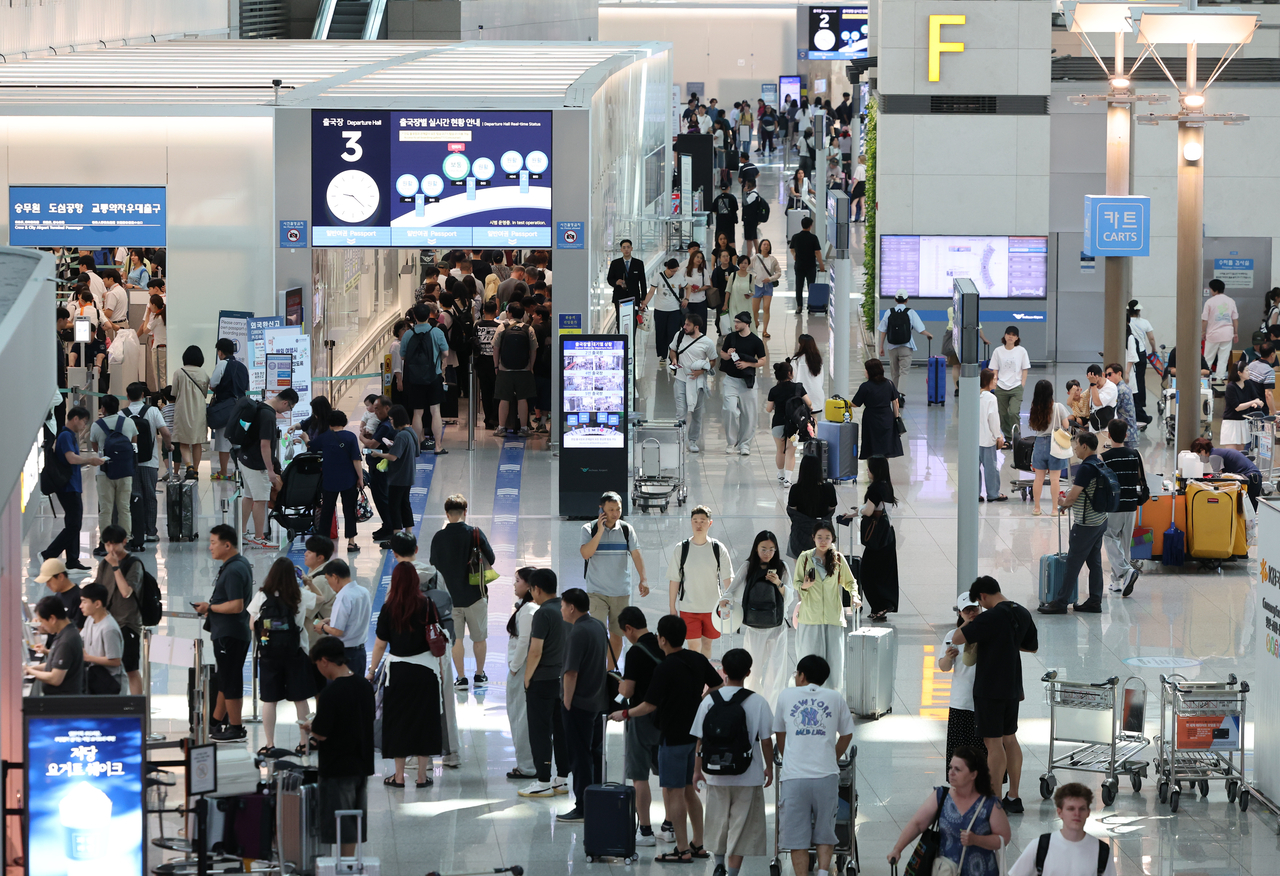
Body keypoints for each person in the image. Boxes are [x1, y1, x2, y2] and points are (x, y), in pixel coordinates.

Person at [611, 615, 723, 864]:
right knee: (688, 791)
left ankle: (682, 849)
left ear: (662, 639)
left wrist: (625, 713)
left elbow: (649, 705)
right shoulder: (697, 659)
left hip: (672, 737)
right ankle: (698, 844)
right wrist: (700, 702)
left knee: (673, 793)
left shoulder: (665, 667)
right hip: (693, 737)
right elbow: (717, 685)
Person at [950, 576, 1039, 813]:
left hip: (990, 688)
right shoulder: (1022, 612)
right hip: (1013, 686)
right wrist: (1007, 641)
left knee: (993, 744)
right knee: (1010, 738)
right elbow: (1032, 646)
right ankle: (1014, 796)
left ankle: (995, 801)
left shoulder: (989, 617)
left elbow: (957, 638)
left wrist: (969, 621)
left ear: (983, 597)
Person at [690, 648, 775, 876]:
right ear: (748, 672)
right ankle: (733, 873)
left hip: (715, 773)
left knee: (717, 820)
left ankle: (718, 865)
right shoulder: (758, 702)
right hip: (748, 774)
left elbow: (699, 740)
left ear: (724, 671)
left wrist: (697, 771)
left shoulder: (709, 701)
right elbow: (766, 741)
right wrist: (769, 767)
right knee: (741, 826)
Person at [773, 655, 855, 876]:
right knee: (825, 830)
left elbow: (779, 732)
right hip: (826, 776)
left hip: (793, 777)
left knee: (797, 835)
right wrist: (833, 757)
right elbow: (847, 734)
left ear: (801, 675)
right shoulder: (835, 697)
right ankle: (823, 872)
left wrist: (787, 757)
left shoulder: (786, 695)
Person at [367, 562, 442, 788]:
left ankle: (398, 777)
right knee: (424, 721)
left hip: (398, 673)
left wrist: (371, 672)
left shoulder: (389, 607)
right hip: (425, 671)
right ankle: (421, 776)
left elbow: (380, 644)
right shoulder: (427, 604)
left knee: (398, 722)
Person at [302, 636, 375, 859]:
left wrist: (309, 728)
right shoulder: (364, 685)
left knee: (338, 821)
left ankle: (340, 866)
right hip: (362, 763)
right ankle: (349, 863)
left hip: (337, 767)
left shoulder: (330, 694)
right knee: (354, 819)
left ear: (324, 661)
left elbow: (321, 733)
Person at [887, 745, 1011, 875]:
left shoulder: (989, 804)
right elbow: (917, 824)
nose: (951, 773)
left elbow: (1004, 838)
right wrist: (898, 849)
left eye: (958, 769)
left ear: (973, 774)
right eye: (950, 767)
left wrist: (976, 840)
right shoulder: (941, 796)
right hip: (946, 871)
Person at [248, 557, 316, 752]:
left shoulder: (262, 595)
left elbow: (252, 624)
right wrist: (308, 582)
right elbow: (322, 600)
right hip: (296, 652)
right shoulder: (300, 595)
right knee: (300, 699)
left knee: (270, 701)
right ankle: (304, 744)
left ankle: (269, 744)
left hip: (268, 653)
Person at [194, 524, 255, 741]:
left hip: (229, 634)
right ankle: (215, 722)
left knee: (230, 681)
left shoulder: (234, 569)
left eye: (213, 543)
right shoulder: (237, 565)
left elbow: (236, 605)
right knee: (226, 678)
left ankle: (236, 727)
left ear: (227, 545)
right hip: (231, 632)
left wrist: (209, 608)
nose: (210, 547)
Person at [429, 493, 496, 689]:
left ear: (447, 514)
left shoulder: (439, 537)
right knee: (479, 638)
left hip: (450, 599)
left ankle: (460, 678)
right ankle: (479, 674)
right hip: (475, 595)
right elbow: (490, 558)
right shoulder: (475, 532)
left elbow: (434, 565)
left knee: (457, 639)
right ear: (465, 512)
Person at [613, 607, 667, 845]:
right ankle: (670, 826)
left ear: (629, 628)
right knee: (667, 776)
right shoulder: (663, 644)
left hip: (641, 717)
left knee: (639, 775)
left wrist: (621, 686)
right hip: (666, 718)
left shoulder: (636, 652)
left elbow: (629, 689)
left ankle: (644, 830)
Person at [1040, 432, 1109, 615]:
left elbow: (1072, 497)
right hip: (1100, 520)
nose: (1075, 448)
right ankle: (1095, 600)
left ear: (1085, 446)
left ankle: (1060, 603)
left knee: (1073, 563)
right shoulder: (1099, 463)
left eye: (1076, 445)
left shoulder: (1086, 468)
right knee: (1094, 563)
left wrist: (1062, 503)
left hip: (1086, 525)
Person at [556, 588, 609, 822]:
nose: (561, 610)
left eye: (562, 605)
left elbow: (571, 672)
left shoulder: (577, 632)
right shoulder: (598, 626)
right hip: (598, 701)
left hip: (579, 704)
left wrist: (567, 702)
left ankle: (583, 806)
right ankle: (596, 800)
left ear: (571, 608)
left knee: (579, 756)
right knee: (595, 754)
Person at [721, 532, 791, 706]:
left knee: (775, 674)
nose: (767, 553)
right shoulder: (748, 566)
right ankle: (753, 707)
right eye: (763, 549)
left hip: (777, 627)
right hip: (754, 627)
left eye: (772, 549)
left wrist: (778, 583)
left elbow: (789, 596)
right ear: (756, 548)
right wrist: (725, 600)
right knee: (752, 672)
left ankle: (772, 712)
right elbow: (732, 589)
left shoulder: (781, 567)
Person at [519, 568, 572, 798]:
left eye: (531, 589)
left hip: (542, 680)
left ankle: (542, 780)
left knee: (540, 731)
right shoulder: (567, 610)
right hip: (563, 680)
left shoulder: (542, 614)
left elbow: (535, 651)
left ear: (537, 589)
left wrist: (527, 677)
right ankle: (562, 779)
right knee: (561, 730)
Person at [580, 491, 649, 668]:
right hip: (596, 592)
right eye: (611, 509)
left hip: (620, 592)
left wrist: (643, 579)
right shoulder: (589, 529)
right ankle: (597, 670)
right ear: (601, 509)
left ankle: (609, 672)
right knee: (598, 635)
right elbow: (586, 553)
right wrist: (600, 531)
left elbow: (636, 554)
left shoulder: (626, 529)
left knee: (618, 636)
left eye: (618, 509)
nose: (615, 513)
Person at [792, 521, 857, 690]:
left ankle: (832, 699)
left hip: (833, 619)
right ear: (813, 538)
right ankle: (806, 697)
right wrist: (804, 586)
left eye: (827, 537)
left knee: (834, 664)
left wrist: (854, 596)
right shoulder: (804, 558)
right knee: (808, 663)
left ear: (832, 539)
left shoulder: (837, 559)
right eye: (819, 537)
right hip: (809, 619)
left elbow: (850, 582)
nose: (823, 541)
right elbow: (796, 582)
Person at [666, 505, 734, 657]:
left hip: (712, 606)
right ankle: (696, 678)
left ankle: (704, 678)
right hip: (688, 607)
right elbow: (674, 580)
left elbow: (727, 578)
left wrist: (729, 603)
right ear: (690, 522)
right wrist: (672, 607)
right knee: (693, 646)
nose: (698, 524)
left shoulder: (718, 548)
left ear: (710, 523)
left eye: (702, 521)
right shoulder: (681, 548)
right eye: (695, 520)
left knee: (707, 644)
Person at [1008, 784, 1116, 876]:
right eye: (1071, 809)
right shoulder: (1040, 846)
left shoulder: (1102, 850)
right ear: (1060, 812)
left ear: (1088, 812)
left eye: (1082, 809)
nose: (1077, 814)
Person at [41, 405, 99, 570]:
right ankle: (48, 554)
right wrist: (90, 460)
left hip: (72, 485)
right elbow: (71, 459)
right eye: (84, 422)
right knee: (74, 525)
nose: (84, 425)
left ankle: (72, 560)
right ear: (75, 419)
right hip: (68, 486)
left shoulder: (68, 435)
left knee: (72, 523)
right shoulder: (66, 435)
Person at [239, 388, 298, 550]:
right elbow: (265, 445)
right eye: (289, 408)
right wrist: (270, 470)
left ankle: (243, 533)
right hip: (256, 463)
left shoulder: (260, 406)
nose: (287, 411)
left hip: (244, 457)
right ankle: (259, 537)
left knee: (249, 496)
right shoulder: (268, 416)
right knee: (260, 499)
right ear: (285, 402)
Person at [92, 525, 144, 696]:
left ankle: (137, 705)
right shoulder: (104, 564)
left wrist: (116, 567)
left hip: (127, 623)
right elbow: (98, 591)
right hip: (108, 623)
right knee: (106, 665)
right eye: (107, 545)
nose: (111, 549)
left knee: (131, 668)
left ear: (124, 542)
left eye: (114, 544)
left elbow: (126, 592)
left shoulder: (133, 564)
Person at [1101, 420, 1148, 598]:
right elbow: (1141, 478)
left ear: (1109, 435)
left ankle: (1125, 572)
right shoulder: (1135, 454)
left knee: (1109, 537)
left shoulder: (1104, 457)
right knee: (1125, 543)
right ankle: (1116, 581)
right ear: (1126, 435)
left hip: (1113, 505)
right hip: (1131, 504)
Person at [88, 394, 137, 555]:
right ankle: (126, 541)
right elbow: (133, 442)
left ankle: (105, 543)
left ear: (103, 408)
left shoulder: (97, 425)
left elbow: (95, 447)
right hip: (125, 471)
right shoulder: (128, 422)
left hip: (104, 471)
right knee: (124, 508)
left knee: (106, 509)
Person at [939, 596, 985, 765]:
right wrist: (947, 657)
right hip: (961, 701)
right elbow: (943, 667)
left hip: (985, 700)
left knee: (984, 751)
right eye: (967, 610)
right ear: (960, 613)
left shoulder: (989, 632)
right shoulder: (952, 636)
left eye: (974, 609)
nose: (972, 613)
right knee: (959, 753)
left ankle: (985, 785)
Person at [310, 411, 364, 554]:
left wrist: (304, 438)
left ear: (329, 423)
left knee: (327, 510)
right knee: (349, 510)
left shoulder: (324, 437)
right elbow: (356, 460)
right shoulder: (350, 437)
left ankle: (323, 542)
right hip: (349, 480)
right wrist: (361, 478)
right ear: (344, 423)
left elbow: (312, 447)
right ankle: (351, 543)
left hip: (329, 480)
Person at [504, 567, 540, 781]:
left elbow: (525, 641)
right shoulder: (529, 608)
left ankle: (527, 766)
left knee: (520, 717)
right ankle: (530, 763)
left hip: (522, 669)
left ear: (529, 585)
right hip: (526, 668)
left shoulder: (527, 610)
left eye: (517, 580)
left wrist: (514, 667)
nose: (514, 584)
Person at [124, 382, 169, 546]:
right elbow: (165, 432)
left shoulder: (123, 414)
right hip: (150, 462)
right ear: (143, 395)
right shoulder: (152, 411)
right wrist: (169, 446)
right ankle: (151, 532)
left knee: (135, 496)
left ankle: (138, 531)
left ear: (127, 396)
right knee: (150, 496)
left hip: (131, 462)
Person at [401, 301, 449, 451]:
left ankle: (416, 447)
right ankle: (438, 446)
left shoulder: (408, 334)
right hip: (434, 376)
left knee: (417, 412)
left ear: (414, 316)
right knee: (435, 411)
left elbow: (403, 356)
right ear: (429, 315)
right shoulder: (436, 332)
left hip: (414, 378)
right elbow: (446, 353)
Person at [314, 558, 373, 677]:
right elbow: (354, 618)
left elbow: (337, 631)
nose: (329, 584)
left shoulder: (343, 597)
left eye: (328, 579)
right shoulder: (363, 591)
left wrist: (323, 626)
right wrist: (331, 620)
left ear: (335, 577)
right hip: (360, 652)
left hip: (345, 655)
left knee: (341, 692)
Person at [858, 458, 900, 620]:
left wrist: (859, 511)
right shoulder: (886, 486)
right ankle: (885, 603)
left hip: (876, 537)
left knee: (867, 572)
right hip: (887, 534)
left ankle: (879, 606)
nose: (867, 472)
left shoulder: (875, 488)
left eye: (869, 469)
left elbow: (868, 511)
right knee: (885, 572)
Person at [369, 405, 417, 546]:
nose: (390, 422)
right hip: (408, 475)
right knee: (405, 504)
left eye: (391, 419)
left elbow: (393, 457)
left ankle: (395, 537)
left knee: (394, 506)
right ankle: (408, 533)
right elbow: (416, 452)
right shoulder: (412, 432)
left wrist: (378, 453)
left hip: (398, 477)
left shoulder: (401, 435)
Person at [719, 312, 766, 456]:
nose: (735, 324)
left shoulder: (756, 341)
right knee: (730, 410)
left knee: (749, 415)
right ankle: (731, 442)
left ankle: (745, 444)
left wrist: (747, 364)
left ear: (746, 323)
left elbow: (763, 360)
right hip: (731, 380)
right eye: (735, 322)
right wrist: (728, 354)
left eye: (738, 322)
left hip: (748, 382)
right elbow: (722, 354)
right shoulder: (731, 337)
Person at [670, 314, 717, 453]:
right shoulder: (679, 335)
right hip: (680, 379)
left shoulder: (707, 342)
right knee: (680, 412)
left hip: (697, 383)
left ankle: (693, 440)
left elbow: (713, 360)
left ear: (696, 327)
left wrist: (701, 371)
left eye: (688, 325)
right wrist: (674, 360)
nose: (684, 327)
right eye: (684, 324)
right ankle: (679, 440)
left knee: (697, 413)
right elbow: (672, 350)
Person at [493, 302, 538, 437]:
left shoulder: (502, 327)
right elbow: (533, 349)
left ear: (509, 314)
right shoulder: (528, 329)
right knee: (522, 399)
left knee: (504, 398)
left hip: (504, 369)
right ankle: (524, 428)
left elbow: (495, 348)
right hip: (524, 369)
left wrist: (496, 366)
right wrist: (531, 366)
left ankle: (501, 428)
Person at [1026, 380, 1070, 516]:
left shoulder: (1035, 409)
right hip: (1055, 443)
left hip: (1039, 443)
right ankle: (1054, 509)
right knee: (1055, 479)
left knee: (1038, 478)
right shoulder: (1058, 407)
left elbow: (1034, 426)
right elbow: (1066, 425)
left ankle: (1037, 508)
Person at [207, 338, 249, 479]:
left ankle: (224, 471)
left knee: (224, 441)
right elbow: (246, 387)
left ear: (220, 352)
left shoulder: (222, 364)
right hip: (242, 407)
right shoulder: (242, 367)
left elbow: (212, 384)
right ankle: (241, 470)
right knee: (239, 440)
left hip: (225, 408)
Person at [25, 597, 85, 695]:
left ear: (52, 619)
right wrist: (30, 669)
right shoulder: (66, 632)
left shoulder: (66, 641)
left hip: (62, 703)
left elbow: (55, 679)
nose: (42, 625)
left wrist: (30, 672)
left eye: (42, 621)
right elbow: (53, 664)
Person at [878, 291, 933, 396]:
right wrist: (929, 334)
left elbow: (883, 330)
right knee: (904, 371)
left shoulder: (889, 312)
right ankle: (900, 395)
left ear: (895, 299)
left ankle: (894, 395)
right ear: (907, 300)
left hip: (892, 346)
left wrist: (881, 347)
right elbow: (920, 329)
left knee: (894, 372)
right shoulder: (910, 312)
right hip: (906, 346)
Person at [357, 396, 395, 540]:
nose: (375, 412)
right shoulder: (383, 423)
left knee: (381, 497)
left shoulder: (385, 425)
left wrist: (361, 437)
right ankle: (387, 525)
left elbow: (373, 444)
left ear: (387, 408)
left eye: (377, 409)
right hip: (378, 465)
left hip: (380, 467)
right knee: (380, 497)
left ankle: (389, 526)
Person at [1191, 437, 1263, 511]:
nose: (1200, 458)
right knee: (1249, 510)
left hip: (1251, 478)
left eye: (1198, 455)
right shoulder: (1218, 452)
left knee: (1247, 511)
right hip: (1254, 477)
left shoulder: (1214, 456)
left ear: (1202, 450)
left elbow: (1218, 478)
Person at [171, 344, 210, 480]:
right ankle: (197, 470)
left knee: (183, 441)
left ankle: (188, 466)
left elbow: (174, 393)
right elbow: (205, 393)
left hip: (182, 409)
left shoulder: (178, 372)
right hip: (199, 409)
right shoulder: (203, 373)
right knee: (197, 442)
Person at [851, 358, 903, 459]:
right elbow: (895, 402)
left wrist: (846, 403)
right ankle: (883, 468)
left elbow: (856, 404)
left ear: (870, 371)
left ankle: (872, 469)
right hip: (887, 417)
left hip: (871, 418)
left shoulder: (865, 386)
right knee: (886, 445)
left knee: (872, 445)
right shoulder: (889, 384)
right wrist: (896, 419)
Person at [79, 582, 126, 695]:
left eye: (84, 602)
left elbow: (115, 661)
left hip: (109, 683)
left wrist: (88, 658)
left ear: (97, 604)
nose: (81, 606)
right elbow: (81, 639)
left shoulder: (109, 628)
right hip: (94, 677)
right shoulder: (90, 620)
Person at [769, 362, 810, 487]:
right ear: (789, 373)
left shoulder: (774, 390)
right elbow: (809, 403)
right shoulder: (798, 388)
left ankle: (780, 475)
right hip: (794, 424)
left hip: (778, 423)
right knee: (790, 452)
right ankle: (788, 479)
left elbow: (768, 409)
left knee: (780, 450)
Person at [787, 454, 835, 558]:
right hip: (822, 532)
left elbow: (793, 512)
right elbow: (831, 509)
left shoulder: (796, 489)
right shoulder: (829, 488)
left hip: (800, 535)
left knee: (801, 569)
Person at [989, 326, 1030, 441]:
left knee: (1013, 412)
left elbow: (1025, 369)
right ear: (1005, 335)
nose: (1011, 337)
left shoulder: (1021, 351)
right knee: (1002, 414)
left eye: (1014, 335)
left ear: (1017, 338)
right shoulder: (998, 351)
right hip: (1001, 386)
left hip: (1016, 386)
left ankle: (1016, 437)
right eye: (1009, 334)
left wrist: (1022, 384)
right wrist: (995, 382)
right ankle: (1008, 437)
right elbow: (994, 369)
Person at [1222, 359, 1266, 450]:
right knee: (1231, 453)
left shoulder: (1248, 384)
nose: (1249, 372)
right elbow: (1237, 407)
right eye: (1247, 370)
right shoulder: (1231, 387)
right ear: (1239, 373)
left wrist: (1257, 403)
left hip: (1243, 421)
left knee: (1241, 453)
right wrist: (1252, 403)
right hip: (1231, 422)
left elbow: (1256, 399)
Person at [978, 369, 1008, 502]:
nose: (996, 381)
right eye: (994, 379)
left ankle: (975, 493)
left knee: (974, 468)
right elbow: (993, 419)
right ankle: (993, 493)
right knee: (990, 468)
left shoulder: (973, 395)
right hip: (987, 440)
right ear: (988, 381)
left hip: (974, 440)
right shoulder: (991, 398)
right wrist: (998, 436)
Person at [1201, 277, 1238, 382]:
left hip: (1213, 334)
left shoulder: (1209, 302)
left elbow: (1204, 320)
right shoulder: (1231, 301)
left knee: (1208, 358)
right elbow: (1235, 319)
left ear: (1214, 290)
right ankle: (1219, 380)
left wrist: (1203, 332)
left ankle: (1204, 379)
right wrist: (1235, 333)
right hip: (1227, 334)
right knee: (1223, 358)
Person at [787, 215, 824, 313]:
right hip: (810, 266)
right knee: (811, 286)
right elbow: (817, 252)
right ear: (811, 226)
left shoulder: (796, 237)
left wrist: (795, 255)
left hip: (799, 265)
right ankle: (811, 305)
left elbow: (792, 249)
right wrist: (821, 265)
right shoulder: (813, 238)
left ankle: (799, 306)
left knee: (799, 286)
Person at [607, 239, 648, 328]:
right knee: (620, 321)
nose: (626, 250)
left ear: (631, 249)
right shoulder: (615, 263)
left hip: (634, 298)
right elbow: (609, 279)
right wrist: (616, 282)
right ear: (621, 249)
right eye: (624, 247)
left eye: (628, 247)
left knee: (633, 321)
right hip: (619, 297)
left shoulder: (638, 263)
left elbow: (643, 282)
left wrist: (643, 298)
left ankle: (631, 341)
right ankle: (622, 340)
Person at [1128, 300, 1156, 423]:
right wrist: (1154, 349)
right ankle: (1141, 403)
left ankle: (1132, 403)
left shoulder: (1126, 323)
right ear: (1139, 310)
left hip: (1129, 353)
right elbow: (1151, 338)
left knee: (1131, 379)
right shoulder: (1145, 322)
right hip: (1141, 353)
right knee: (1140, 379)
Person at [35, 559, 85, 629]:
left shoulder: (79, 597)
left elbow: (79, 629)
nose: (47, 585)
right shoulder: (58, 595)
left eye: (49, 581)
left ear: (60, 577)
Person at [748, 241, 781, 339]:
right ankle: (755, 324)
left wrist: (770, 279)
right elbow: (747, 269)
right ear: (760, 246)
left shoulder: (772, 259)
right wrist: (754, 276)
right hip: (757, 285)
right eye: (764, 244)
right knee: (755, 309)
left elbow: (778, 272)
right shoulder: (754, 258)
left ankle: (765, 330)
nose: (766, 246)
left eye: (768, 245)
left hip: (768, 286)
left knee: (766, 308)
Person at [1102, 363, 1139, 448]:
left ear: (1119, 373)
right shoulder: (1124, 388)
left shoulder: (1119, 390)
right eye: (1106, 375)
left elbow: (1111, 409)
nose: (1107, 377)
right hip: (1128, 433)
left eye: (1110, 374)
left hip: (1125, 434)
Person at [790, 334, 825, 416]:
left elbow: (793, 378)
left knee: (801, 421)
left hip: (802, 395)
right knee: (814, 421)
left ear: (800, 345)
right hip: (817, 394)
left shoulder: (796, 360)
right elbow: (821, 379)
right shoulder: (818, 360)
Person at [137, 294, 166, 393]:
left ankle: (161, 397)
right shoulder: (165, 315)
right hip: (166, 348)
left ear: (153, 304)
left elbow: (145, 330)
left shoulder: (156, 318)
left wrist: (147, 315)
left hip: (158, 348)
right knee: (165, 374)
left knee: (158, 375)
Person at [724, 256, 755, 334]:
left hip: (745, 305)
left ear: (748, 264)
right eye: (741, 263)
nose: (743, 265)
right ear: (738, 264)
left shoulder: (751, 277)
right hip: (734, 304)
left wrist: (749, 294)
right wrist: (725, 304)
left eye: (745, 263)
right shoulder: (733, 275)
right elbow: (728, 290)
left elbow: (753, 291)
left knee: (745, 324)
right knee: (734, 323)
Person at [1244, 342, 1277, 414]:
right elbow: (1268, 394)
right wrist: (1274, 412)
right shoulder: (1269, 371)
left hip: (1248, 405)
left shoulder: (1251, 365)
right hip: (1260, 408)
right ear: (1272, 354)